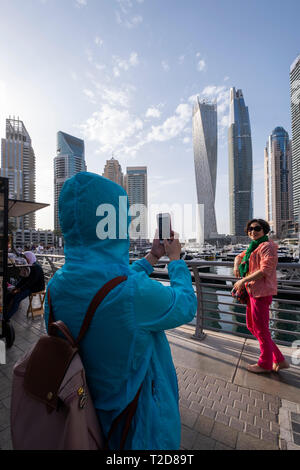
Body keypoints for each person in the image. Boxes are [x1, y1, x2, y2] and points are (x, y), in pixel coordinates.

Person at [44, 172, 197, 450]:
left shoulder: (56, 286)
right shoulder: (131, 292)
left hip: (84, 406)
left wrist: (152, 257)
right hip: (137, 422)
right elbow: (185, 305)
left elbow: (112, 280)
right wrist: (175, 260)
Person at [233, 218, 289, 374]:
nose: (253, 231)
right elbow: (240, 256)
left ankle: (265, 363)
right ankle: (279, 359)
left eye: (256, 228)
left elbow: (265, 270)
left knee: (261, 329)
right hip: (252, 291)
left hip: (261, 293)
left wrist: (243, 280)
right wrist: (236, 263)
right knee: (252, 326)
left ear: (265, 230)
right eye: (250, 229)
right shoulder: (254, 247)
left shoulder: (267, 246)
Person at [5, 251, 45, 321]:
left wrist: (19, 289)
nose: (24, 260)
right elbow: (24, 280)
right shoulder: (29, 266)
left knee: (16, 298)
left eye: (26, 258)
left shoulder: (36, 267)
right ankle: (4, 312)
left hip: (36, 288)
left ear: (30, 258)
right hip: (30, 286)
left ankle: (6, 318)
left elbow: (31, 282)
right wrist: (16, 287)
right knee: (9, 295)